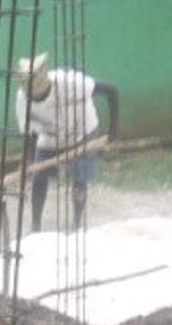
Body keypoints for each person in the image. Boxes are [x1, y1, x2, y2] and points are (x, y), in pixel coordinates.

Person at [15, 52, 120, 231]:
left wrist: (113, 132)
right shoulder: (22, 99)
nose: (35, 99)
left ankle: (76, 225)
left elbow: (112, 91)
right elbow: (29, 133)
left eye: (39, 96)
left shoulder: (70, 83)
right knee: (39, 178)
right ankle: (35, 227)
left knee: (79, 178)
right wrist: (30, 162)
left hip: (82, 132)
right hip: (50, 137)